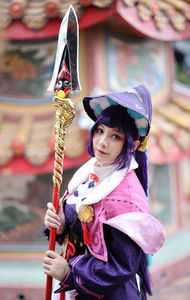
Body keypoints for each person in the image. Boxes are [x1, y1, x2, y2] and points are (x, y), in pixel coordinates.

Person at [43, 85, 166, 300]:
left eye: (115, 136)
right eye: (100, 131)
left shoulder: (126, 198)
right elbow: (79, 227)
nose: (102, 142)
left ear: (131, 145)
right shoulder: (91, 171)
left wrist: (69, 272)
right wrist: (61, 223)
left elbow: (122, 266)